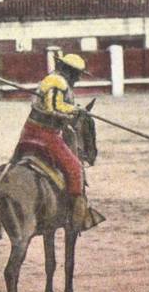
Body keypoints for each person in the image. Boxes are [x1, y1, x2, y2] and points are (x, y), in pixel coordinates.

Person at [14, 52, 99, 231]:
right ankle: (78, 216)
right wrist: (76, 111)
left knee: (14, 162)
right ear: (70, 71)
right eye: (77, 74)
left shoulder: (51, 80)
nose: (77, 78)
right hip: (46, 134)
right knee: (76, 169)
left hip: (28, 131)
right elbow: (54, 108)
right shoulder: (57, 82)